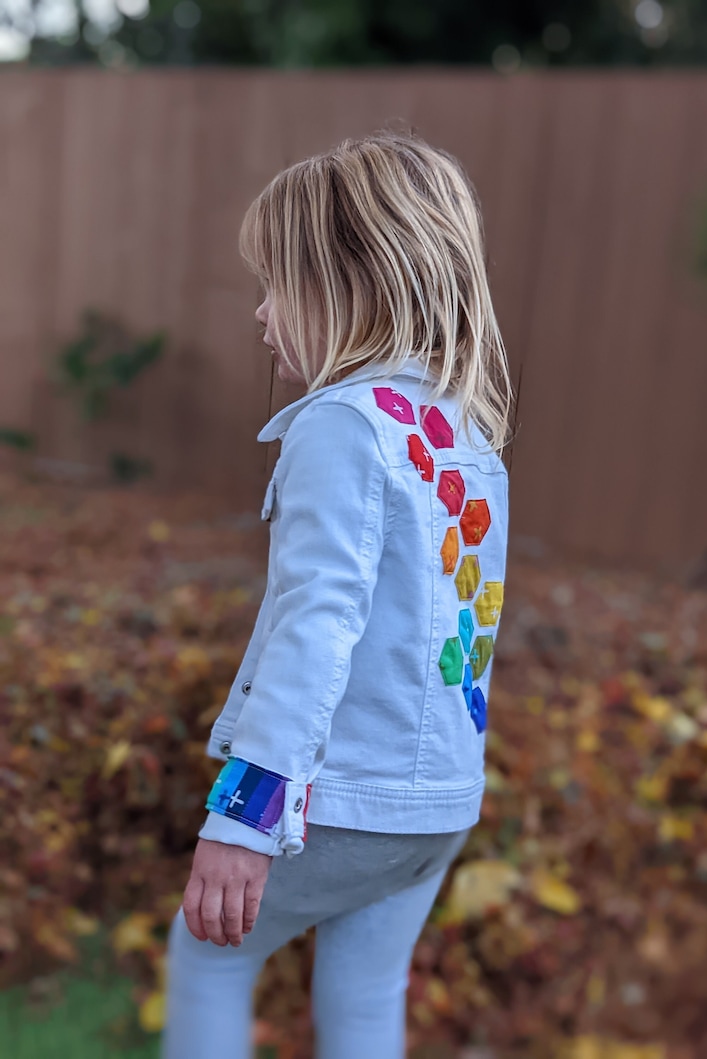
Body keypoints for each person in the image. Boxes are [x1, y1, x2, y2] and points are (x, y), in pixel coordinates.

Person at [162, 131, 512, 1059]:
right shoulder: (466, 431)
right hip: (437, 800)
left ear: (349, 284)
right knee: (364, 997)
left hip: (341, 796)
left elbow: (315, 628)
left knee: (209, 956)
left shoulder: (341, 426)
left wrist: (246, 814)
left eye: (278, 283)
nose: (262, 312)